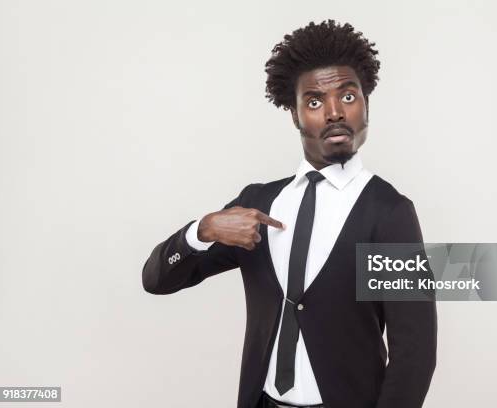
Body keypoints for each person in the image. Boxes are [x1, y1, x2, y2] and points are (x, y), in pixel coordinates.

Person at [142, 19, 437, 408]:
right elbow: (156, 280)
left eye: (348, 97)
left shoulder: (390, 212)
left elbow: (415, 353)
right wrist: (203, 229)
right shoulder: (259, 202)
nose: (334, 112)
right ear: (295, 115)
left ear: (366, 105)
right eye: (314, 101)